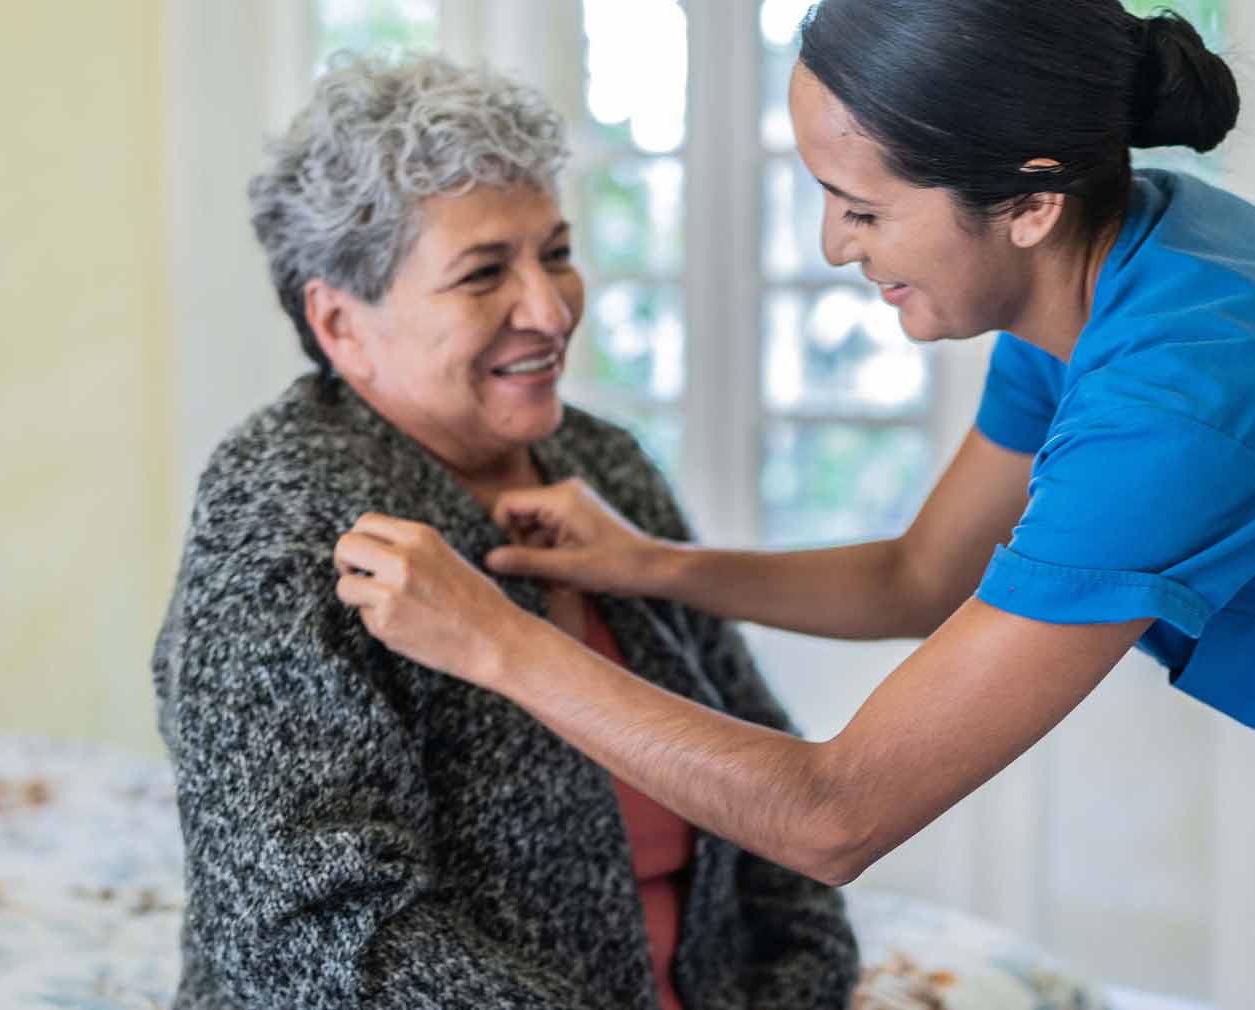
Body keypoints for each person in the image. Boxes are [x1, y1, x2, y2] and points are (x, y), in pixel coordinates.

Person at [326, 3, 1255, 1009]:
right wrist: (652, 564)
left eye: (865, 206)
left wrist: (495, 642)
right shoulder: (1087, 273)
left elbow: (836, 816)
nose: (833, 244)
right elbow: (918, 575)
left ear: (1021, 196)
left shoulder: (1189, 385)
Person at [152, 53, 857, 1010]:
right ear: (339, 323)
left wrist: (798, 990)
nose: (550, 307)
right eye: (485, 272)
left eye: (556, 252)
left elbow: (765, 784)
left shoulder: (600, 465)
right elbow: (313, 938)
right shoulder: (282, 521)